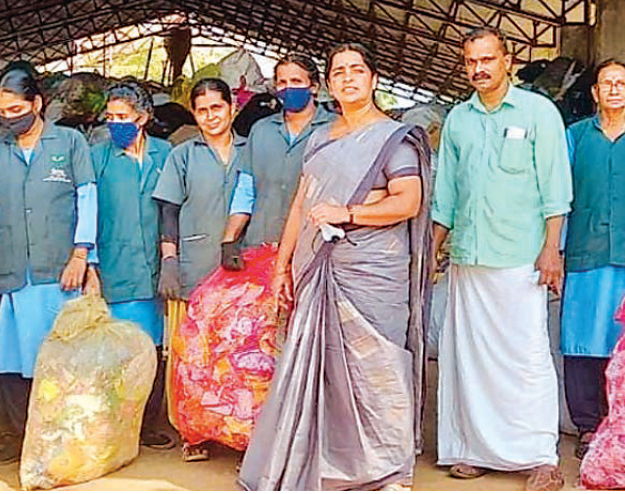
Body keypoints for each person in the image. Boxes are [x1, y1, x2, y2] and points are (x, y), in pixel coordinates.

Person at [239, 42, 431, 491]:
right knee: (323, 369)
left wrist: (349, 213)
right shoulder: (323, 138)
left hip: (372, 270)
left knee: (378, 364)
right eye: (339, 72)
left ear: (373, 79)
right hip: (316, 265)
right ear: (329, 83)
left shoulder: (391, 136)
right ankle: (327, 462)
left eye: (357, 71)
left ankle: (387, 469)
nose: (348, 78)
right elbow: (302, 204)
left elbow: (409, 200)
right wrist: (284, 263)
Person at [432, 27, 572, 490]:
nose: (479, 69)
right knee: (468, 357)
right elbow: (446, 192)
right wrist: (435, 245)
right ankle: (474, 449)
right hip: (470, 254)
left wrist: (551, 249)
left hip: (521, 255)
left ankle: (538, 455)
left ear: (506, 60)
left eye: (488, 59)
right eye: (471, 61)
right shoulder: (458, 119)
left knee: (526, 355)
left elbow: (555, 188)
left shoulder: (538, 112)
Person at [0, 61, 98, 465]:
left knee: (57, 362)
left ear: (38, 102)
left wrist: (82, 254)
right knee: (10, 362)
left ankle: (60, 441)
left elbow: (87, 199)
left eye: (17, 110)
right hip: (14, 270)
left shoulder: (69, 143)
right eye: (3, 112)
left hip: (58, 271)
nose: (10, 119)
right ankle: (22, 437)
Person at [562, 60, 625, 460]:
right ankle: (588, 424)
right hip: (585, 251)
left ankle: (624, 422)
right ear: (595, 93)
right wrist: (554, 249)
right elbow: (559, 197)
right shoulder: (575, 137)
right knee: (580, 339)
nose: (614, 90)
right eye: (607, 83)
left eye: (621, 83)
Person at [152, 77, 255, 461]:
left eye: (218, 107)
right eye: (202, 110)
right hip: (194, 263)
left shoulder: (251, 149)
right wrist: (169, 261)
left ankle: (235, 432)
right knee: (189, 353)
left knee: (235, 352)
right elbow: (168, 211)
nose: (211, 116)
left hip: (240, 266)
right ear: (194, 115)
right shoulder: (183, 154)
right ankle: (191, 433)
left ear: (232, 108)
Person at [86, 78, 175, 450]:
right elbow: (85, 212)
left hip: (154, 267)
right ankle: (114, 427)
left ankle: (146, 425)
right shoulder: (98, 157)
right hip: (116, 264)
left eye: (123, 116)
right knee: (116, 352)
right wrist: (90, 264)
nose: (115, 123)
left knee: (151, 350)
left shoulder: (166, 154)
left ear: (143, 117)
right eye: (110, 117)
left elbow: (173, 208)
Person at [241, 52, 334, 249]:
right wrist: (230, 239)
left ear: (314, 87)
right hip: (261, 240)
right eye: (282, 82)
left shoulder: (334, 130)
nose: (288, 88)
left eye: (296, 81)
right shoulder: (261, 130)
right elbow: (245, 191)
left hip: (312, 246)